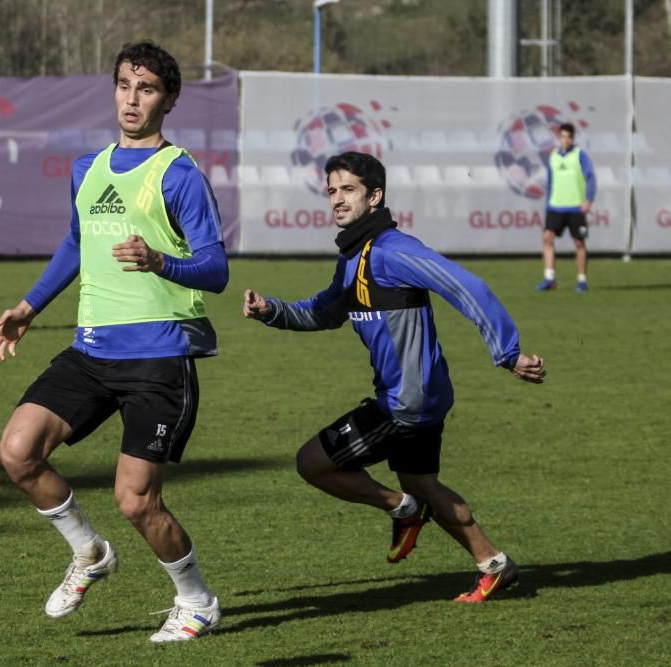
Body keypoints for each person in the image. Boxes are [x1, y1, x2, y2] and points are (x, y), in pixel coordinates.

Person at [0, 41, 228, 643]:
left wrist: (160, 261)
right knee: (18, 452)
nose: (132, 98)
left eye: (146, 89)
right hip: (91, 350)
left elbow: (216, 270)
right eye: (124, 85)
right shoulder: (86, 168)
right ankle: (88, 553)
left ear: (168, 99)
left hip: (158, 356)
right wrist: (27, 307)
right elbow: (76, 241)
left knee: (137, 502)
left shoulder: (180, 175)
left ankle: (197, 601)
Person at [243, 151, 546, 603]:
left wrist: (508, 352)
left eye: (348, 190)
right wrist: (273, 311)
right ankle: (493, 564)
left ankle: (405, 510)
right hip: (418, 395)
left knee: (313, 462)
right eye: (332, 191)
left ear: (375, 196)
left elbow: (466, 286)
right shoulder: (354, 257)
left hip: (407, 401)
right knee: (422, 481)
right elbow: (326, 312)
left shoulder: (393, 251)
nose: (337, 200)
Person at [536, 122, 596, 292]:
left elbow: (590, 177)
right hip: (555, 207)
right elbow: (551, 182)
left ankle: (582, 280)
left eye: (568, 137)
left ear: (573, 138)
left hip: (575, 207)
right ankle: (549, 278)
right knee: (547, 239)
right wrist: (548, 204)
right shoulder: (553, 156)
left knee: (579, 243)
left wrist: (588, 199)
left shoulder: (580, 156)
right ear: (558, 137)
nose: (565, 140)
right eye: (562, 136)